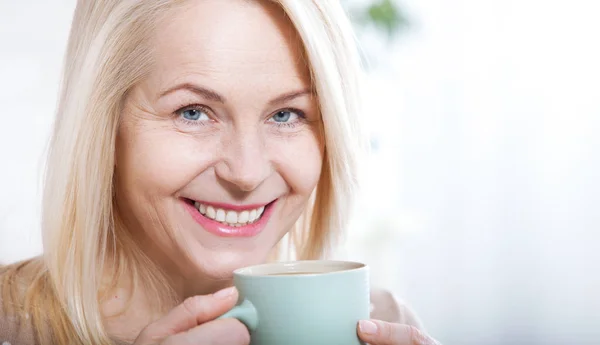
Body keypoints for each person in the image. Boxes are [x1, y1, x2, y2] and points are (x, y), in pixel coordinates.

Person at [0, 1, 440, 344]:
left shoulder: (382, 323)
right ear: (104, 126)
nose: (246, 173)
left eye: (286, 115)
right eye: (193, 112)